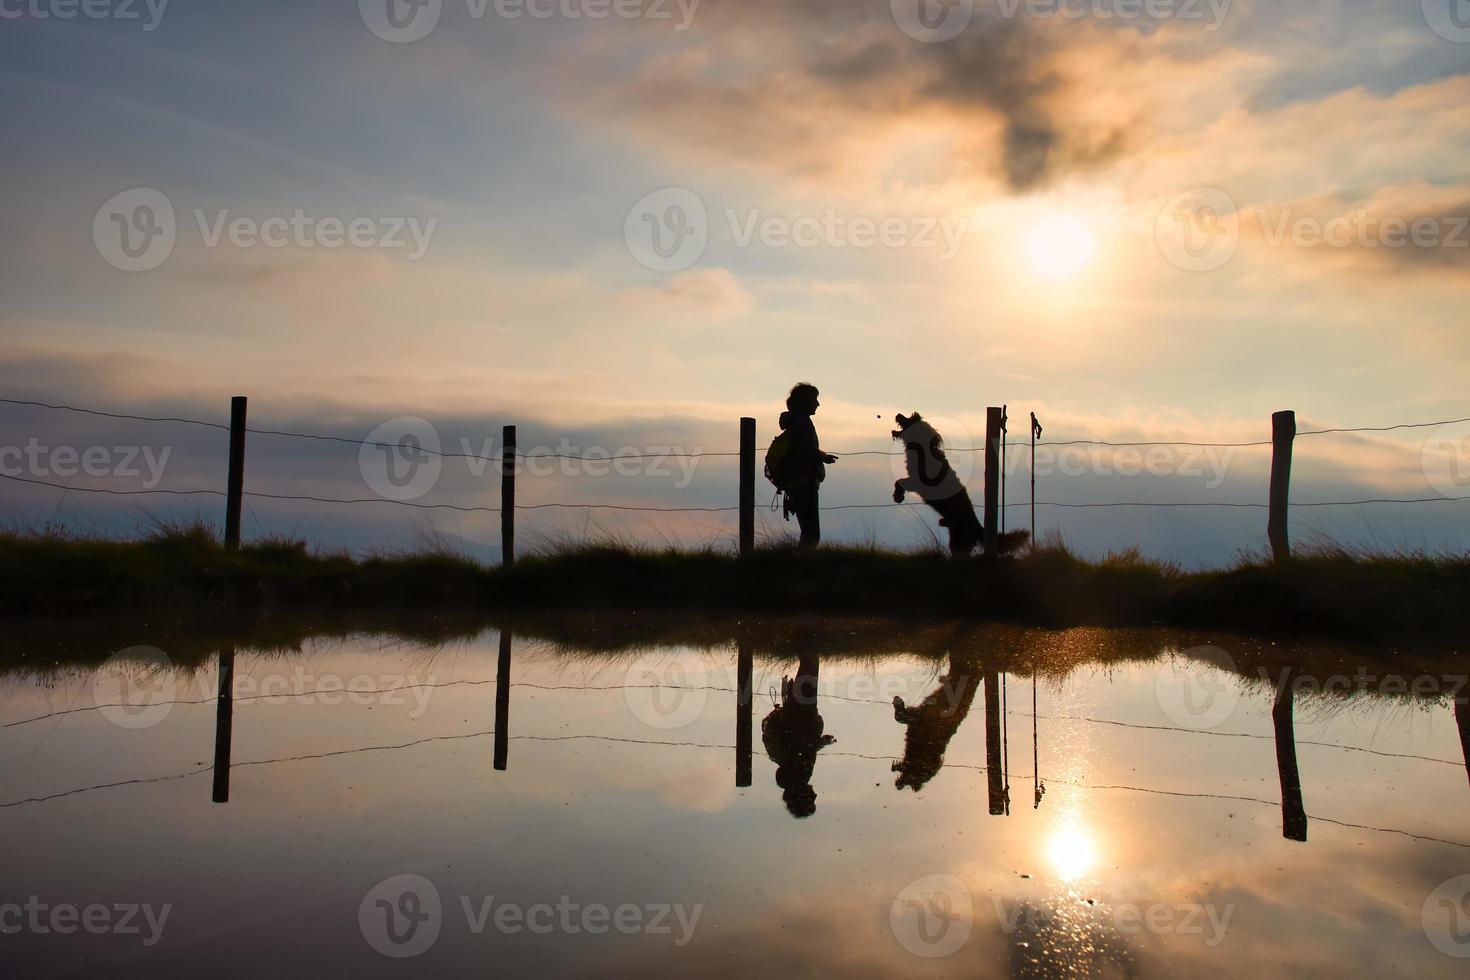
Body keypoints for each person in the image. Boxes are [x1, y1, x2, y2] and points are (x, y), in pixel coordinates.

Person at [778, 383, 837, 547]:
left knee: (807, 530)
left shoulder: (794, 422)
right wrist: (823, 457)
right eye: (815, 400)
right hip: (804, 481)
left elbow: (803, 448)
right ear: (805, 402)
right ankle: (803, 566)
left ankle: (800, 564)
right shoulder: (802, 423)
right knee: (811, 534)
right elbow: (807, 449)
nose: (818, 404)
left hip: (796, 481)